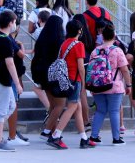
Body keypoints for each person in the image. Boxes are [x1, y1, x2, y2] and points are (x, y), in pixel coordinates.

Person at [46, 20, 96, 149]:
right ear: (79, 31)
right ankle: (56, 135)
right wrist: (84, 83)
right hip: (75, 80)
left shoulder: (64, 43)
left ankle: (84, 138)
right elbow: (81, 66)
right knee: (72, 107)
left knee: (77, 108)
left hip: (66, 81)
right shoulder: (79, 44)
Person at [89, 24, 132, 145]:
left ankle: (94, 136)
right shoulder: (117, 50)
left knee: (100, 111)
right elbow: (124, 69)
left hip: (97, 85)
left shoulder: (95, 51)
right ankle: (116, 138)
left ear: (102, 36)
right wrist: (128, 85)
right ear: (114, 36)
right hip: (114, 86)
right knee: (114, 111)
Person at [0, 10, 23, 152]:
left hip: (1, 78)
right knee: (2, 109)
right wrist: (17, 83)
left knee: (10, 106)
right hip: (2, 79)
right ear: (10, 23)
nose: (15, 24)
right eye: (14, 22)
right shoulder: (5, 40)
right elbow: (10, 63)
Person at [31, 15, 65, 139]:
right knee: (60, 104)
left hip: (43, 75)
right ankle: (47, 131)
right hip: (55, 76)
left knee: (52, 105)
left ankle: (54, 132)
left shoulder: (41, 39)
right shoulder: (60, 41)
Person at [72, 14, 93, 131]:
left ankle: (84, 121)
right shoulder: (88, 35)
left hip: (79, 65)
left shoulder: (76, 37)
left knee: (81, 94)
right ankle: (86, 120)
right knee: (83, 93)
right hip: (88, 64)